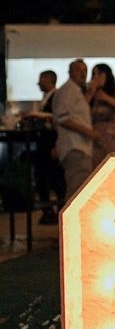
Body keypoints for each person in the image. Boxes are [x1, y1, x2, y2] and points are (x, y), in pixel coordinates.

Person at [19, 70, 66, 223]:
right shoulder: (46, 98)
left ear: (49, 80)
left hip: (51, 143)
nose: (38, 83)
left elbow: (57, 118)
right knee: (43, 177)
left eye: (41, 79)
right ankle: (49, 211)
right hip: (45, 143)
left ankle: (57, 210)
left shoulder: (56, 97)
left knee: (54, 177)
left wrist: (36, 115)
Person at [52, 59, 97, 201]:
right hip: (75, 147)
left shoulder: (76, 91)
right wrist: (88, 132)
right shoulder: (67, 90)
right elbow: (62, 118)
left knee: (80, 188)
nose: (83, 74)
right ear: (70, 72)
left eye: (85, 70)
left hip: (81, 147)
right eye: (79, 70)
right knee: (77, 191)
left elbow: (76, 114)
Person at [86, 63, 115, 166]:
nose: (96, 77)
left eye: (99, 73)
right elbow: (83, 109)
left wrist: (106, 98)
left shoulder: (114, 91)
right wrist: (92, 91)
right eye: (94, 74)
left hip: (113, 136)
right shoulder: (90, 92)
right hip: (96, 137)